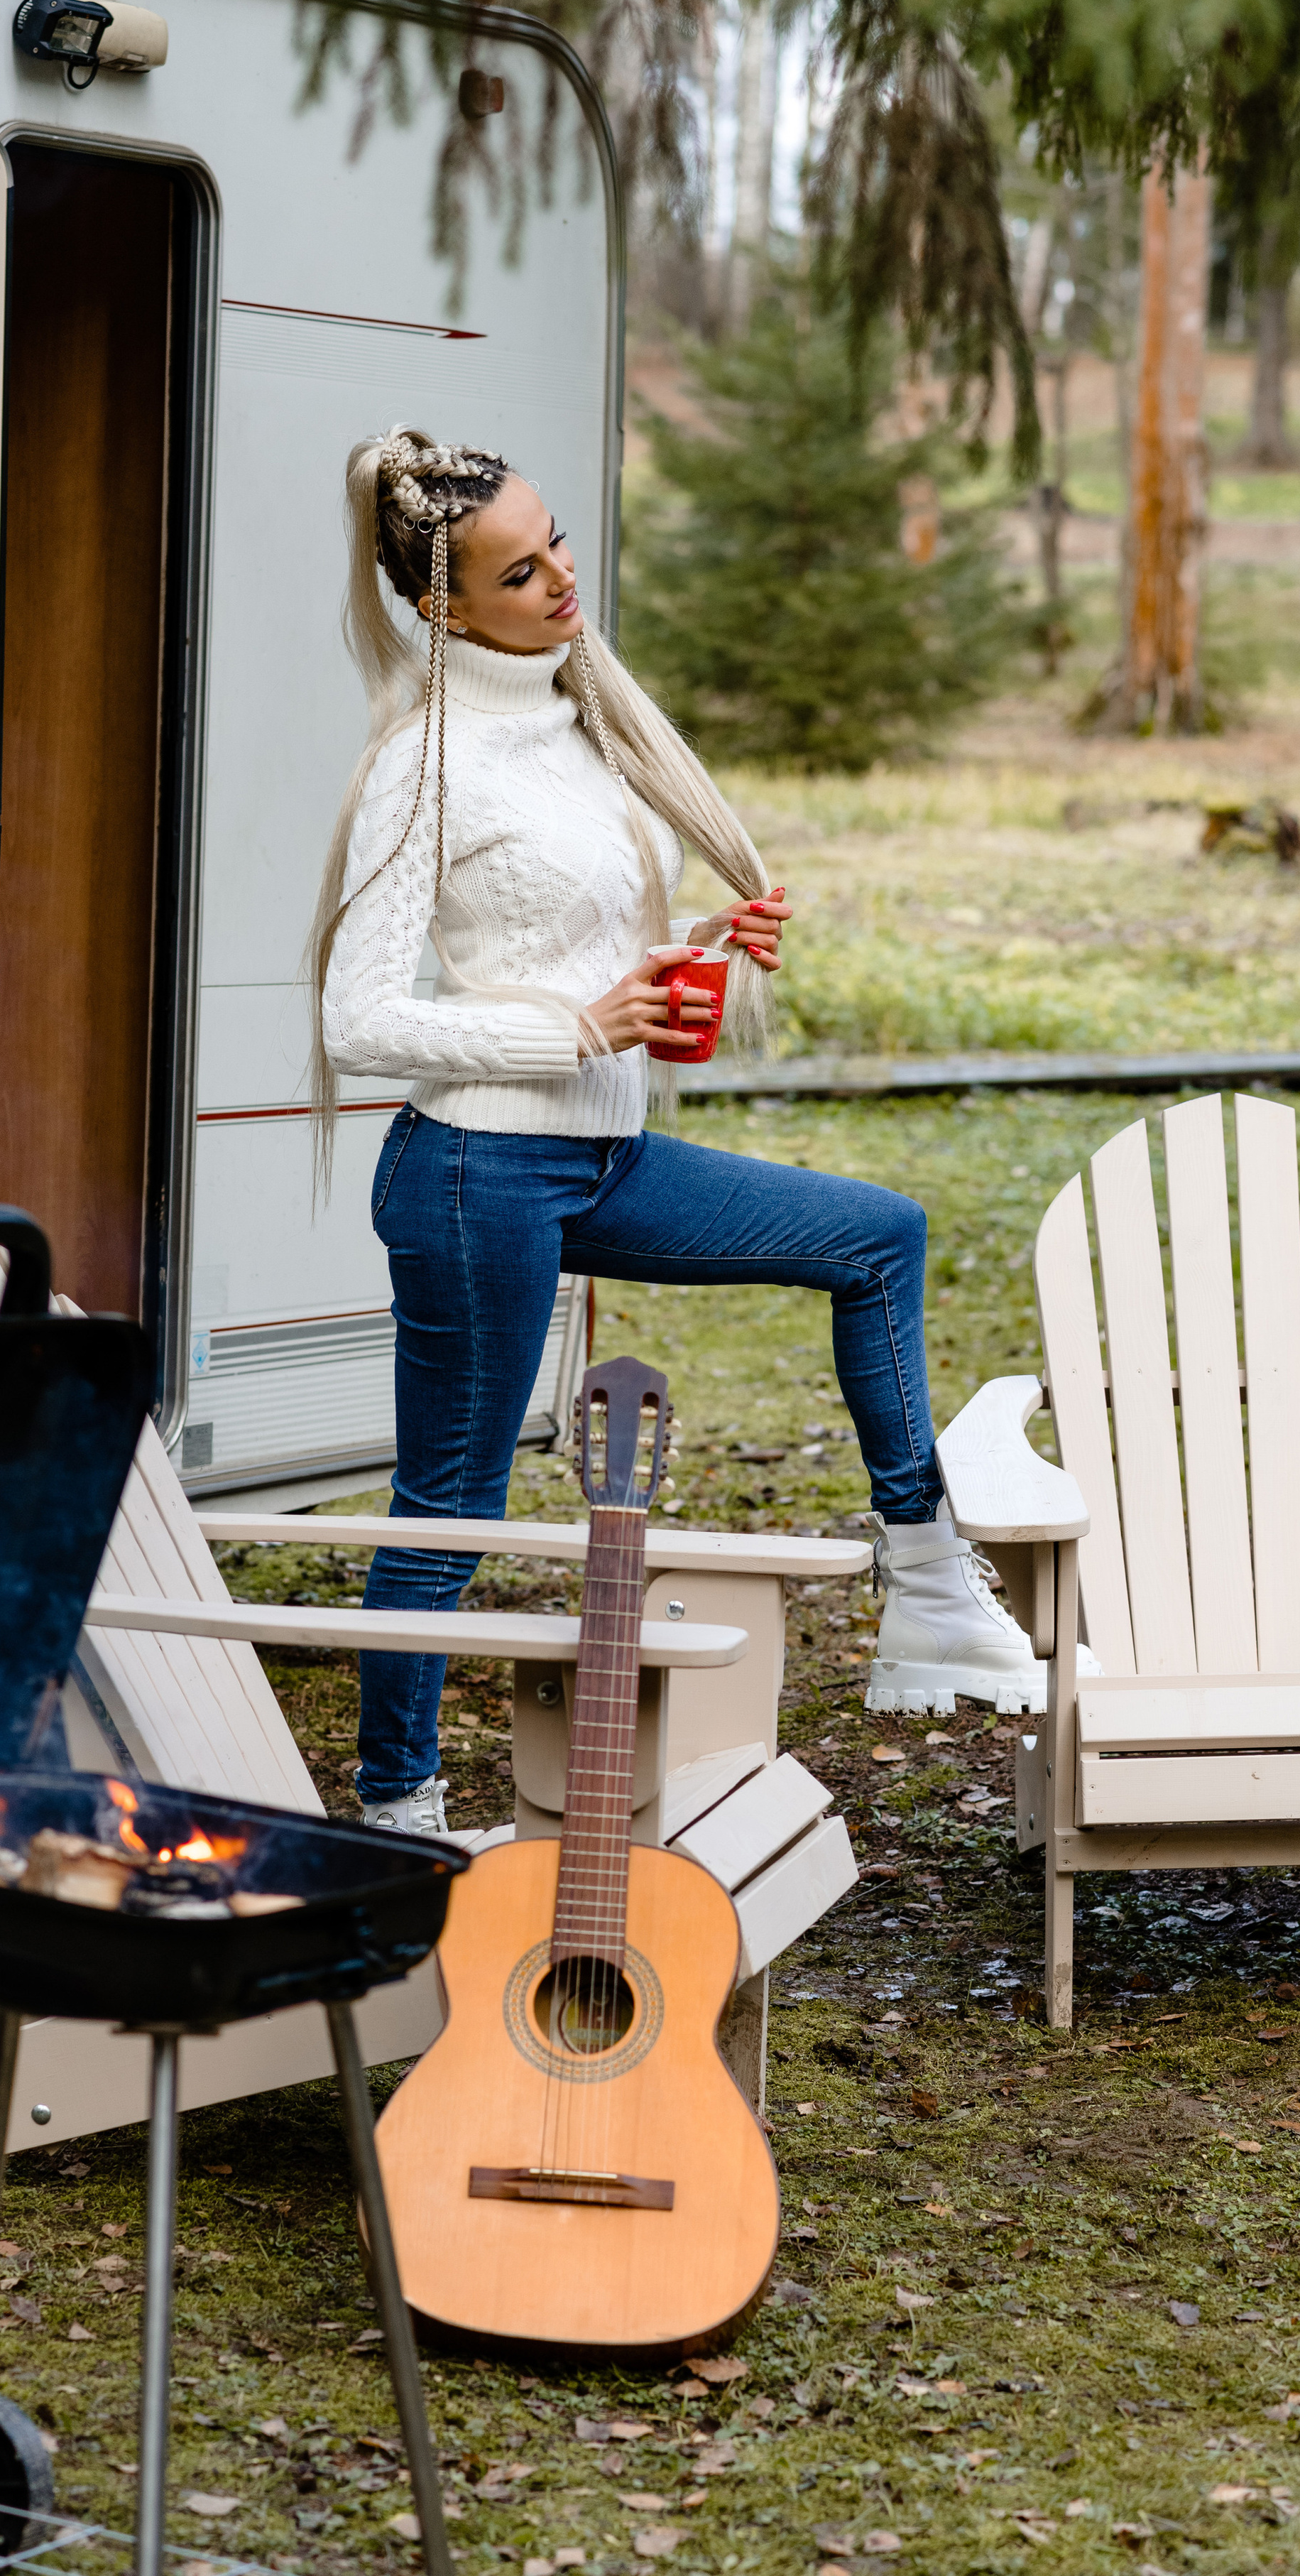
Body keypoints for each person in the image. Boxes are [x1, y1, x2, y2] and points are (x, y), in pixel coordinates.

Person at [312, 426, 1050, 1832]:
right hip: (474, 1170)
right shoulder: (425, 764)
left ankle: (927, 1589)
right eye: (518, 573)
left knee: (876, 1238)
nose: (559, 580)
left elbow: (555, 931)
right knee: (450, 1506)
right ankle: (396, 1815)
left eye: (554, 543)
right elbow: (359, 1019)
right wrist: (580, 1030)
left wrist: (699, 939)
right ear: (443, 609)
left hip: (598, 1158)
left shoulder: (580, 720)